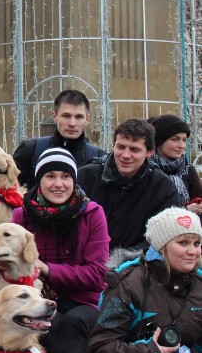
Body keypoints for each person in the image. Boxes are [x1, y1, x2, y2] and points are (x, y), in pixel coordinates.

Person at [4, 147, 109, 353]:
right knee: (47, 321)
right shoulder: (21, 215)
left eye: (65, 176)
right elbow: (10, 266)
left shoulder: (92, 214)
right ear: (39, 180)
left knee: (70, 323)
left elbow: (97, 274)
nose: (59, 184)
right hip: (35, 300)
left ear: (74, 180)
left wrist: (48, 270)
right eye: (50, 176)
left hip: (84, 302)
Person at [90, 207, 202, 353]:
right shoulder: (127, 283)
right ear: (161, 246)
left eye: (197, 243)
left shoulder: (199, 284)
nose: (193, 251)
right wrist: (152, 350)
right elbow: (102, 346)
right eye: (183, 243)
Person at [78, 118, 181, 250]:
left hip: (134, 264)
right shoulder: (85, 176)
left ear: (149, 152)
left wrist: (121, 262)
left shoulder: (162, 187)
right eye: (120, 147)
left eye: (134, 150)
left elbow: (163, 236)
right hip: (84, 261)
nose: (126, 155)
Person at [13, 89, 106, 189]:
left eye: (79, 117)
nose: (72, 123)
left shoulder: (98, 159)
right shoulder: (30, 151)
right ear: (54, 116)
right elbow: (11, 192)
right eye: (66, 116)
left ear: (87, 119)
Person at [147, 114, 202, 210]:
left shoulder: (188, 170)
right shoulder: (145, 170)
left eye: (184, 140)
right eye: (175, 139)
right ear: (158, 141)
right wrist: (185, 210)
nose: (181, 145)